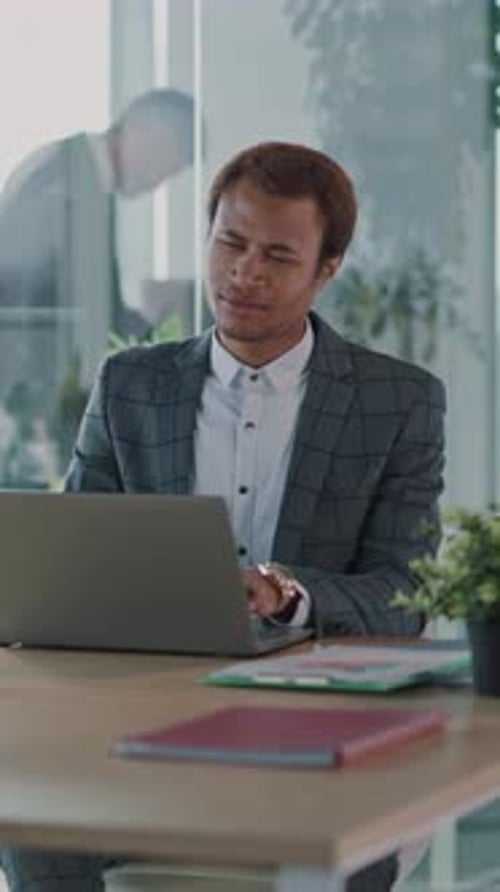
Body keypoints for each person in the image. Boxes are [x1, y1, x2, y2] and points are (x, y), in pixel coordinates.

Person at [0, 141, 446, 892]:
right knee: (31, 820)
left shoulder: (398, 400)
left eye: (277, 254)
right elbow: (73, 565)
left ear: (326, 267)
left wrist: (288, 592)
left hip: (316, 729)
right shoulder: (130, 384)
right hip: (139, 715)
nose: (245, 272)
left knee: (347, 851)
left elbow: (404, 591)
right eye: (230, 243)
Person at [0, 87, 194, 338]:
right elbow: (37, 302)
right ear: (147, 133)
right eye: (167, 167)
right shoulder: (66, 180)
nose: (156, 184)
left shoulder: (82, 175)